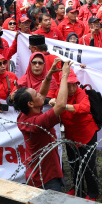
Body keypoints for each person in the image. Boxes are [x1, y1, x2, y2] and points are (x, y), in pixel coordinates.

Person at [12, 60, 71, 190]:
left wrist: (49, 74)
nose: (40, 94)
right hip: (46, 178)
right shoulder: (37, 122)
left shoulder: (24, 115)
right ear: (31, 104)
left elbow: (43, 93)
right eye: (36, 94)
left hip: (39, 173)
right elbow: (60, 105)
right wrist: (64, 75)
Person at [49, 70, 100, 200]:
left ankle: (94, 192)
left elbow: (84, 108)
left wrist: (63, 106)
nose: (72, 88)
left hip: (86, 133)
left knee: (88, 164)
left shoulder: (81, 92)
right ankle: (78, 188)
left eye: (74, 84)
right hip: (71, 134)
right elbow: (49, 97)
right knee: (73, 163)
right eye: (68, 84)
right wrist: (52, 100)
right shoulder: (59, 94)